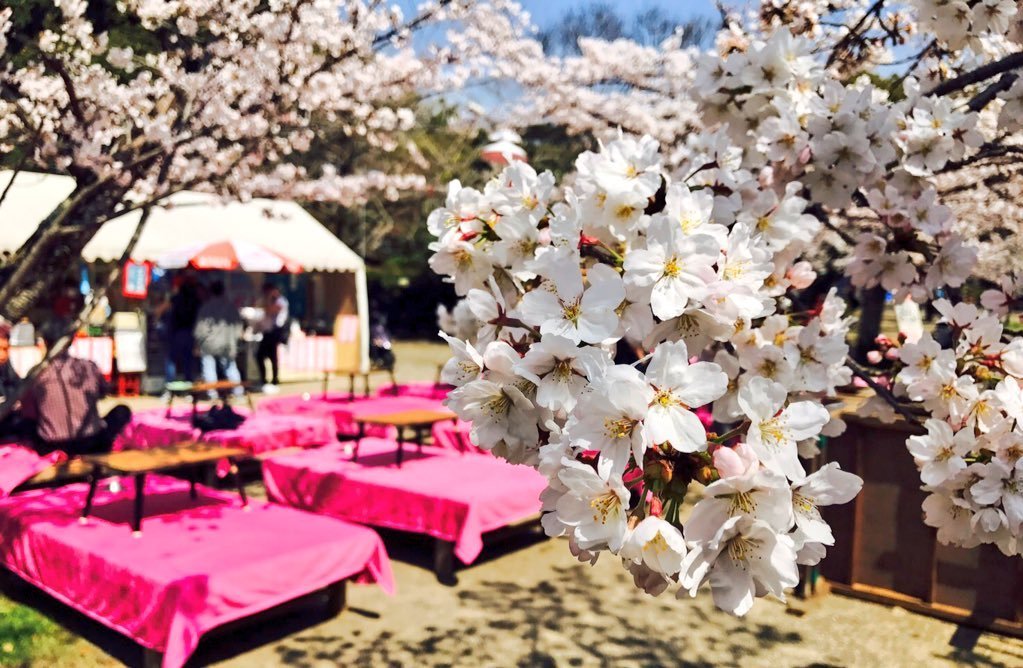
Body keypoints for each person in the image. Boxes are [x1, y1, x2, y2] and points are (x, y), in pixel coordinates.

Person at [20, 323, 132, 457]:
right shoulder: (89, 366)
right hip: (92, 443)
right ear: (71, 341)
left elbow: (29, 413)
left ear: (44, 343)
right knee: (122, 411)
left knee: (23, 422)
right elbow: (103, 392)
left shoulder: (36, 374)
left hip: (52, 447)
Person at [194, 280, 244, 394]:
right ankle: (238, 393)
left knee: (209, 368)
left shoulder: (206, 307)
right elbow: (238, 326)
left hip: (209, 343)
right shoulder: (231, 307)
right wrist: (235, 340)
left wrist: (197, 344)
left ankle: (212, 395)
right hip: (228, 343)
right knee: (231, 368)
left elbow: (201, 329)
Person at [255, 282, 288, 393]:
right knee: (261, 356)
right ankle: (264, 379)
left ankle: (274, 380)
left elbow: (271, 310)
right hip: (267, 332)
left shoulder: (280, 301)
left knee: (272, 357)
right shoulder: (267, 300)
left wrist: (269, 299)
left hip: (275, 332)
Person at [168, 274, 201, 381]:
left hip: (177, 332)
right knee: (188, 361)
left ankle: (170, 385)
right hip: (190, 332)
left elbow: (163, 308)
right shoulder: (196, 300)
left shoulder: (176, 298)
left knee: (172, 359)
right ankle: (188, 384)